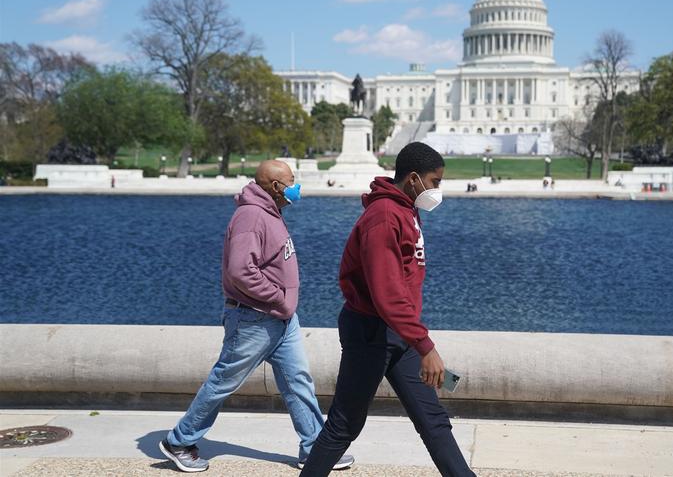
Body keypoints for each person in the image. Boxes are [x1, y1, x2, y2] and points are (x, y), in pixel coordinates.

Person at [159, 160, 354, 473]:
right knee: (223, 381)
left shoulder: (270, 212)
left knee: (297, 381)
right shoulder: (251, 216)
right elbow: (240, 271)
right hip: (254, 319)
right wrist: (276, 297)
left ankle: (314, 447)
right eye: (291, 181)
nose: (296, 186)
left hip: (281, 319)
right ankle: (179, 440)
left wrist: (283, 305)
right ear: (275, 187)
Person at [299, 142, 475, 476]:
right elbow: (386, 292)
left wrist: (414, 336)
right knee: (344, 425)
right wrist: (425, 345)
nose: (438, 189)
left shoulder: (406, 209)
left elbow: (403, 283)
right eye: (435, 181)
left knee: (432, 419)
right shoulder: (382, 217)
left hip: (398, 332)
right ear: (413, 179)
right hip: (370, 331)